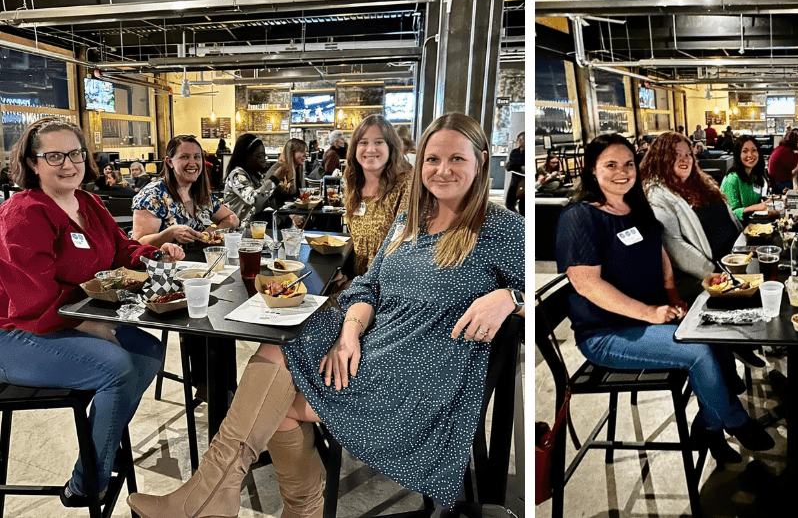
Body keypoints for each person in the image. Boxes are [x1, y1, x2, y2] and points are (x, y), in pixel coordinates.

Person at [127, 113, 525, 518]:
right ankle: (226, 495)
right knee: (280, 345)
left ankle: (254, 502)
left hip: (420, 369)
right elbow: (370, 285)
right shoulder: (410, 220)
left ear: (482, 159)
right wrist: (349, 333)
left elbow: (547, 290)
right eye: (433, 159)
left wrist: (511, 296)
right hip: (376, 340)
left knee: (275, 400)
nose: (442, 170)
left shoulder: (503, 228)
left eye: (456, 159)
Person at [555, 133, 773, 467]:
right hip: (607, 333)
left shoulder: (634, 205)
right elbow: (587, 284)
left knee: (718, 336)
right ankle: (734, 419)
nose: (622, 171)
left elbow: (661, 257)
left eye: (628, 163)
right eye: (610, 165)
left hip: (650, 317)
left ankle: (709, 426)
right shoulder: (580, 217)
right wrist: (648, 312)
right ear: (591, 170)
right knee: (698, 350)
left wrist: (673, 298)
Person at [0, 118, 184, 509]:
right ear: (33, 163)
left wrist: (153, 254)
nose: (68, 164)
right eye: (54, 156)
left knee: (148, 352)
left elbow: (120, 250)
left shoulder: (88, 203)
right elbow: (33, 296)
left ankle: (101, 441)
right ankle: (87, 482)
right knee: (115, 367)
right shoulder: (24, 213)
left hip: (68, 321)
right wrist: (88, 323)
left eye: (75, 153)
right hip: (19, 331)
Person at [640, 132, 743, 300]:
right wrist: (714, 273)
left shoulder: (701, 182)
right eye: (676, 155)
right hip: (706, 277)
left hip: (735, 261)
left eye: (688, 154)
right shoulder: (657, 194)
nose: (684, 159)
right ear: (660, 158)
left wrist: (744, 245)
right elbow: (674, 245)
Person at [334, 114, 412, 285]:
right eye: (363, 142)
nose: (370, 149)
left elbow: (401, 251)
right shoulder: (354, 183)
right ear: (354, 148)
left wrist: (356, 284)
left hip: (388, 287)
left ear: (391, 147)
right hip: (358, 281)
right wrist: (344, 274)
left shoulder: (406, 184)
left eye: (378, 142)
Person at [133, 135, 238, 248]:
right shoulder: (152, 195)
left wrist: (216, 231)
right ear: (170, 162)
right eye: (184, 157)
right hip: (167, 263)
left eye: (197, 157)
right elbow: (139, 243)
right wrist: (170, 234)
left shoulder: (200, 192)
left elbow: (232, 218)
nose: (192, 163)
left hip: (199, 262)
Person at [223, 134, 282, 226]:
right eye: (260, 156)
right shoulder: (237, 175)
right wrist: (275, 178)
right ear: (246, 156)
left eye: (264, 156)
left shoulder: (256, 175)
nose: (263, 160)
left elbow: (265, 201)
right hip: (237, 230)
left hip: (255, 227)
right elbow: (254, 199)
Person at [721, 136, 770, 220]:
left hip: (755, 225)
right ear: (738, 154)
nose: (750, 155)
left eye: (754, 150)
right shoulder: (732, 178)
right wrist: (755, 207)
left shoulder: (755, 175)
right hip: (738, 230)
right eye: (745, 151)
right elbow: (731, 213)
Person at [505, 131, 525, 215]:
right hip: (514, 180)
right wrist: (520, 167)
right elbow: (509, 166)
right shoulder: (514, 152)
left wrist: (515, 165)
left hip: (524, 181)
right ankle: (517, 219)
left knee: (523, 206)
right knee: (509, 203)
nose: (520, 141)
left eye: (523, 139)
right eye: (519, 139)